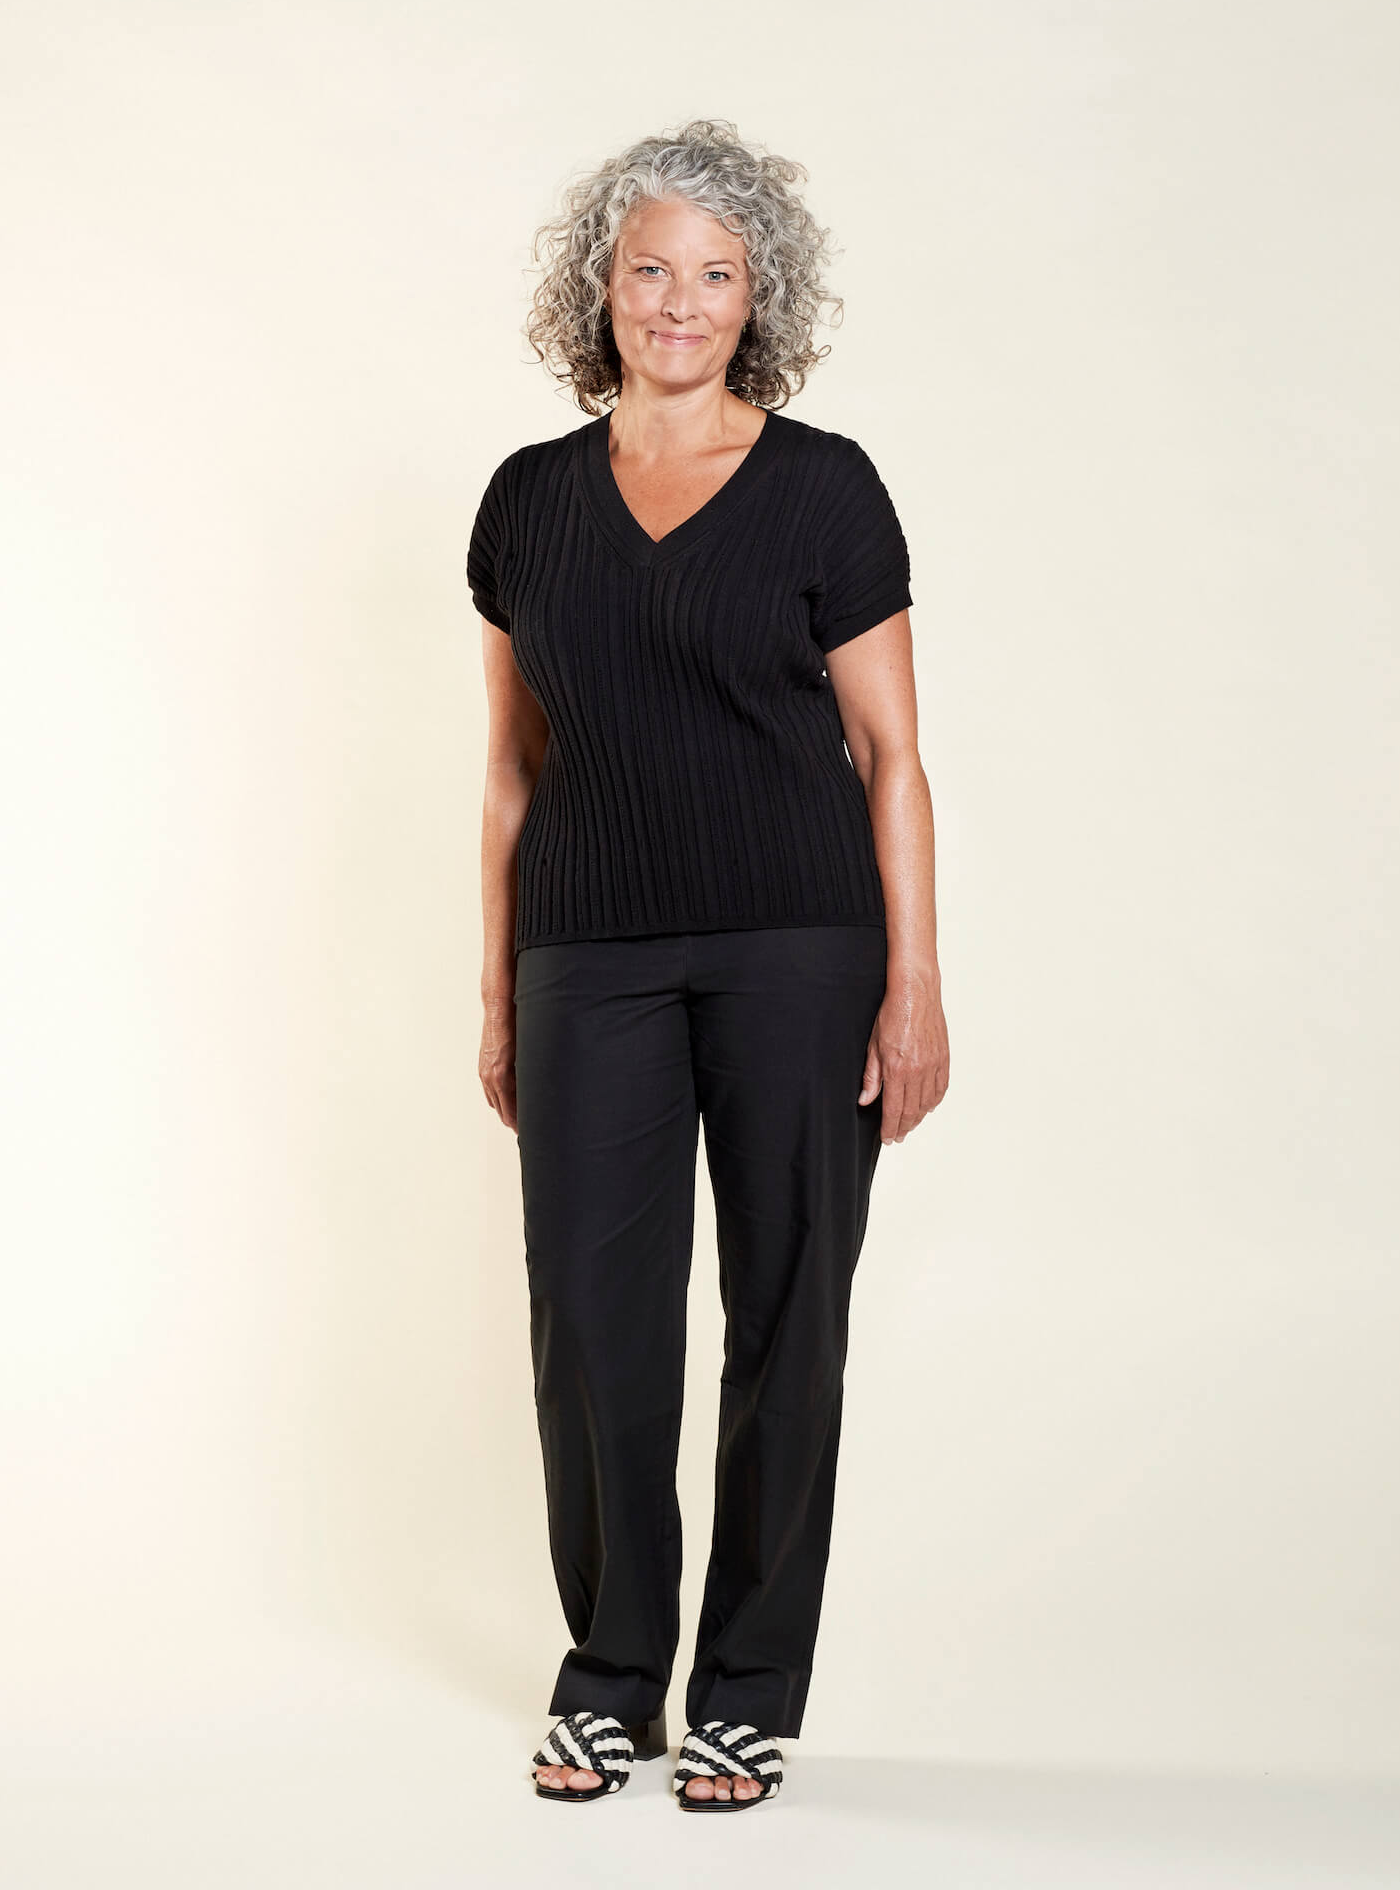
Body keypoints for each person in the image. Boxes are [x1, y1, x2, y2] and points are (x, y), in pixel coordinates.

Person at [468, 118, 950, 1812]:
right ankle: (611, 1675)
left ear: (762, 298)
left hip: (798, 953)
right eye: (651, 269)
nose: (681, 302)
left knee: (785, 1316)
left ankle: (747, 1687)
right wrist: (495, 983)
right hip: (586, 954)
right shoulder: (528, 502)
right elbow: (517, 768)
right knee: (592, 1325)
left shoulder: (828, 487)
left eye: (717, 275)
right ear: (599, 290)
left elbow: (892, 757)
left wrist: (916, 984)